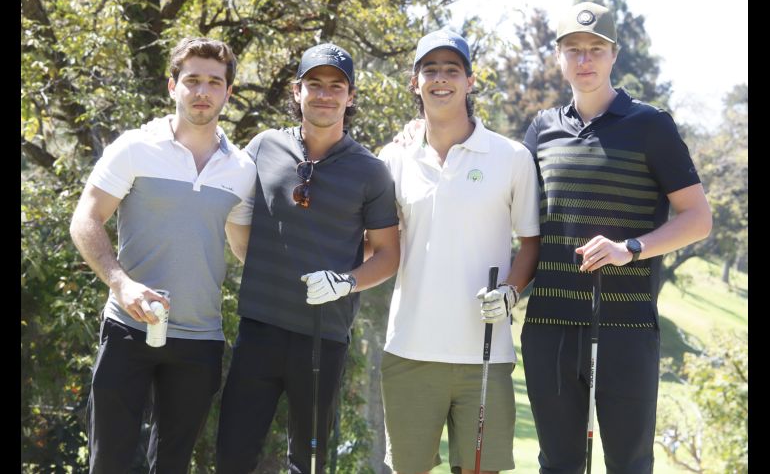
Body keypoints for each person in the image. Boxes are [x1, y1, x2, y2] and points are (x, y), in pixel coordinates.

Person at [520, 2, 712, 474]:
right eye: (573, 50)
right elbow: (514, 217)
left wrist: (631, 248)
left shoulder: (651, 126)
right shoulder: (541, 131)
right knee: (558, 466)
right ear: (559, 57)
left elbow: (698, 218)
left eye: (596, 50)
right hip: (549, 329)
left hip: (625, 329)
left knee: (629, 465)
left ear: (614, 55)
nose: (584, 60)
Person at [69, 37, 256, 473]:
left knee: (172, 465)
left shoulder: (242, 170)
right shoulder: (135, 147)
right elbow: (85, 220)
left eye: (214, 82)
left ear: (228, 93)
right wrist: (121, 283)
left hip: (200, 338)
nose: (203, 91)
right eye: (192, 80)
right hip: (127, 329)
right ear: (172, 85)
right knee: (109, 461)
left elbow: (244, 246)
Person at [215, 43, 400, 473]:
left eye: (336, 86)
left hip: (323, 338)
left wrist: (346, 282)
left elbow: (389, 254)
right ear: (297, 90)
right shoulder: (263, 147)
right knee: (232, 457)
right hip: (258, 330)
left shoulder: (370, 171)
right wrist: (260, 266)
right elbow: (238, 224)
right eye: (314, 84)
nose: (324, 94)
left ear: (350, 97)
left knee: (309, 464)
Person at [378, 29, 541, 474]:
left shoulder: (511, 157)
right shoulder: (392, 160)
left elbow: (530, 241)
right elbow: (377, 245)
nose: (440, 79)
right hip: (410, 349)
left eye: (452, 70)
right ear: (415, 83)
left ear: (470, 81)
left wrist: (510, 291)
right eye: (429, 70)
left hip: (485, 355)